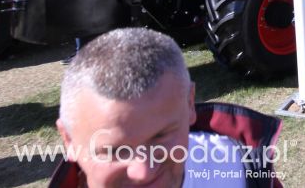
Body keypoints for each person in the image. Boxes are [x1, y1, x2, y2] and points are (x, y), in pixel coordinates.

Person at [51, 28, 283, 188]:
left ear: (189, 103)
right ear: (68, 139)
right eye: (115, 151)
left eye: (161, 136)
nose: (144, 171)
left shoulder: (241, 164)